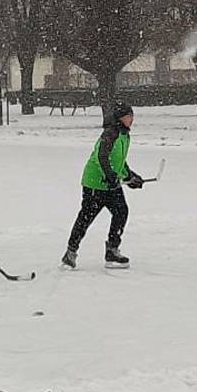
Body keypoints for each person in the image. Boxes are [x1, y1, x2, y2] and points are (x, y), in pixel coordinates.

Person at [62, 103, 144, 270]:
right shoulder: (111, 133)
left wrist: (131, 177)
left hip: (111, 185)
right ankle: (70, 254)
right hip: (95, 184)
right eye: (129, 116)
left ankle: (112, 251)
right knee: (86, 218)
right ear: (121, 118)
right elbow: (102, 157)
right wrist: (110, 176)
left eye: (132, 116)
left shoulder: (124, 135)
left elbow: (119, 161)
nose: (132, 119)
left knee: (121, 212)